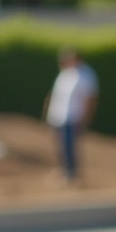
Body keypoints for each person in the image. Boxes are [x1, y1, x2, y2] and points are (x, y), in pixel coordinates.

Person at [43, 47, 98, 183]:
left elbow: (90, 98)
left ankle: (72, 174)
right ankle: (64, 171)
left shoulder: (85, 74)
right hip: (59, 117)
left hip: (73, 117)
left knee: (70, 147)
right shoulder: (65, 74)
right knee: (60, 146)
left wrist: (85, 117)